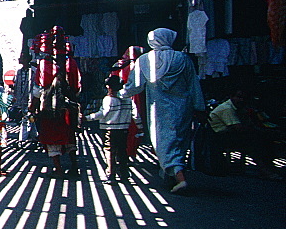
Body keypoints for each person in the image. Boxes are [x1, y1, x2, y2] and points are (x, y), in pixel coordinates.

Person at [119, 28, 205, 194]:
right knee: (179, 141)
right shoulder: (183, 59)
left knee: (163, 142)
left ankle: (180, 178)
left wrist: (120, 93)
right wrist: (200, 107)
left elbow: (134, 86)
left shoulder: (144, 60)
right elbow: (193, 84)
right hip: (182, 107)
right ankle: (171, 176)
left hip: (159, 109)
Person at [208, 90, 281, 179]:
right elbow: (238, 128)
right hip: (218, 137)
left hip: (230, 134)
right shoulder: (227, 108)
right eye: (238, 97)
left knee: (264, 139)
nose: (241, 100)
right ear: (231, 96)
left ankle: (268, 166)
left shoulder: (239, 108)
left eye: (243, 98)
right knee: (253, 142)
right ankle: (264, 169)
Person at [85, 75, 141, 182]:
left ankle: (111, 174)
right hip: (124, 129)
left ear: (109, 87)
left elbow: (103, 113)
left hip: (109, 129)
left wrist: (87, 118)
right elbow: (136, 114)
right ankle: (124, 173)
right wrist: (140, 127)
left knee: (110, 151)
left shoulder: (108, 100)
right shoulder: (128, 100)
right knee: (122, 151)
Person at [36, 75, 80, 175]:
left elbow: (37, 98)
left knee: (52, 143)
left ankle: (58, 169)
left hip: (50, 118)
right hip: (65, 117)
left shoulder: (45, 89)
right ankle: (74, 166)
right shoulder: (68, 89)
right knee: (69, 141)